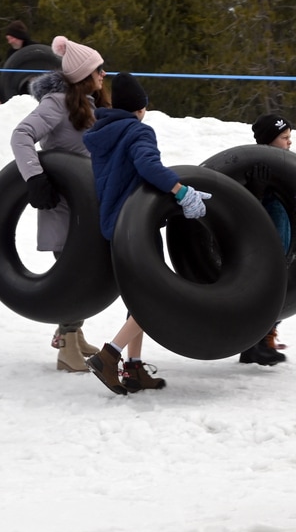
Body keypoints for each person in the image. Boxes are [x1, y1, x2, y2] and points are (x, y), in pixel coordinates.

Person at [81, 72, 211, 395]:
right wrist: (182, 192)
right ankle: (109, 356)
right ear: (139, 108)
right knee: (154, 299)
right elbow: (149, 166)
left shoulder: (103, 133)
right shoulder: (138, 132)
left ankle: (134, 368)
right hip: (138, 226)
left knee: (138, 298)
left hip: (115, 226)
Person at [10, 36, 109, 372]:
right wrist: (35, 179)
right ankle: (66, 350)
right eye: (98, 69)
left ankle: (74, 336)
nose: (103, 75)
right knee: (77, 276)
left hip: (90, 208)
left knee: (87, 272)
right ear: (83, 75)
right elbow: (21, 135)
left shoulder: (90, 105)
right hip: (66, 207)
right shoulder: (55, 103)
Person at [239, 112, 295, 366]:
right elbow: (245, 214)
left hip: (282, 240)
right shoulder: (255, 168)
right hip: (265, 245)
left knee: (281, 287)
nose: (290, 142)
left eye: (289, 137)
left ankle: (261, 339)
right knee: (266, 287)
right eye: (284, 137)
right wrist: (256, 191)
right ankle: (256, 342)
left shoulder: (287, 167)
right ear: (269, 141)